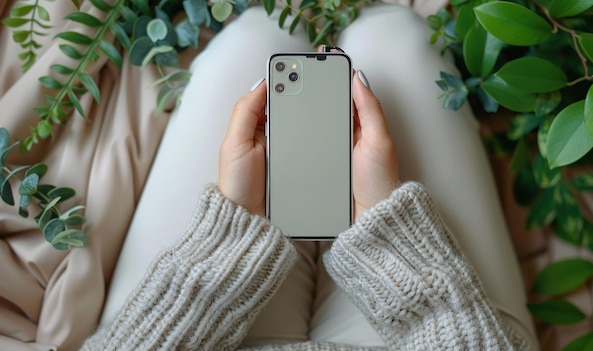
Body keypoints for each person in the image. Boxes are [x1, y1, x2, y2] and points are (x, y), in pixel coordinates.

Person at [81, 3, 540, 350]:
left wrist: (229, 234)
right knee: (390, 37)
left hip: (190, 332)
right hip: (436, 333)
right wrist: (390, 230)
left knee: (258, 38)